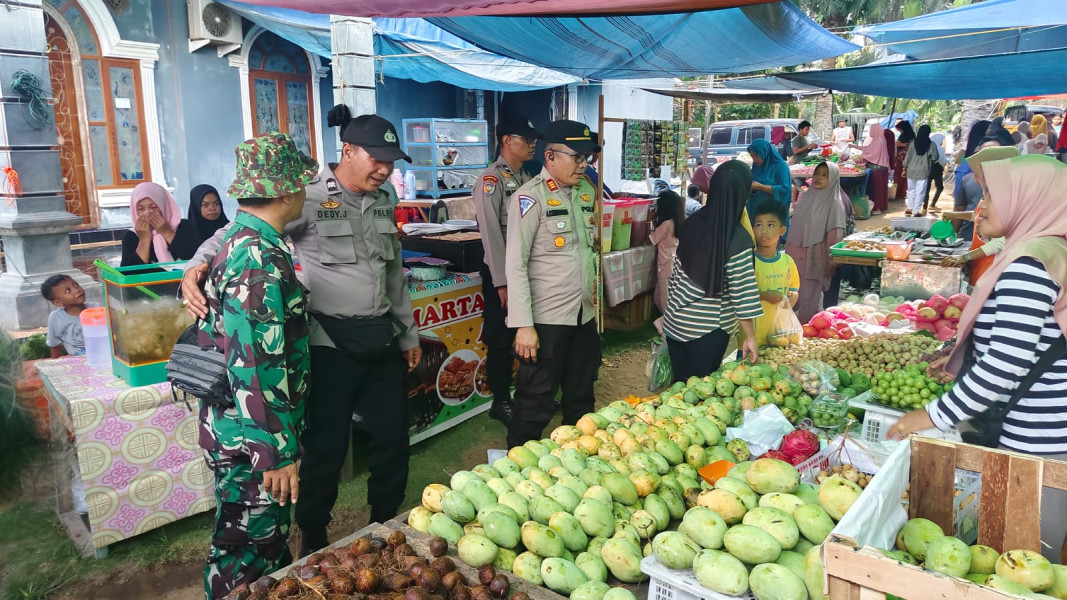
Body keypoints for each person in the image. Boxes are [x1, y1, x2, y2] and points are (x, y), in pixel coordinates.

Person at [182, 106, 422, 556]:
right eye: (376, 158)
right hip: (328, 345)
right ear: (348, 151)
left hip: (380, 338)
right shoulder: (301, 195)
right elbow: (238, 231)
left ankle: (385, 524)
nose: (385, 169)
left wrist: (407, 333)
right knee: (325, 448)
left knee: (392, 440)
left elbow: (394, 274)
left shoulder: (385, 199)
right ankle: (314, 532)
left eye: (391, 160)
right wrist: (195, 265)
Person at [888, 153, 1067, 563]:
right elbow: (1032, 339)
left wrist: (931, 415)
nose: (979, 204)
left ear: (1029, 199)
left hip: (1037, 443)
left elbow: (1005, 363)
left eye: (991, 194)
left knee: (1021, 566)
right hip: (1048, 434)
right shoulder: (1050, 251)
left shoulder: (1030, 263)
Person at [198, 132, 317, 599]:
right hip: (254, 442)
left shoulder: (243, 238)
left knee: (258, 546)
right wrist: (276, 454)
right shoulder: (256, 257)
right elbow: (254, 365)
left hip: (244, 433)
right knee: (246, 553)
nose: (307, 191)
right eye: (303, 183)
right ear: (287, 191)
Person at [505, 120, 601, 448]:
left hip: (583, 316)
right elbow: (514, 265)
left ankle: (579, 463)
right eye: (577, 157)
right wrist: (523, 325)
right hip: (546, 322)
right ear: (550, 157)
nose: (583, 164)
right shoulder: (529, 199)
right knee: (535, 402)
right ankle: (515, 467)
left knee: (582, 396)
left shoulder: (587, 191)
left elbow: (591, 252)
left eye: (587, 157)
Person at [663, 160, 761, 382]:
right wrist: (751, 337)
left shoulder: (691, 223)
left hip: (675, 324)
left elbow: (677, 273)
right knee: (699, 393)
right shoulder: (738, 240)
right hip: (707, 331)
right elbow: (743, 296)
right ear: (744, 194)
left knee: (680, 389)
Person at [473, 115, 543, 426]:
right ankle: (500, 401)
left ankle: (527, 396)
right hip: (501, 274)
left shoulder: (527, 177)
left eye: (533, 140)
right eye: (525, 139)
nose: (532, 145)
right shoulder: (491, 181)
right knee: (501, 339)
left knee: (527, 334)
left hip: (526, 272)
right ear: (505, 141)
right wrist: (503, 283)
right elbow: (491, 235)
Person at [786, 162, 848, 322]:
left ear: (833, 179)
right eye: (817, 173)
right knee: (793, 293)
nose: (819, 177)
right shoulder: (807, 196)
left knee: (809, 297)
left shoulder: (834, 203)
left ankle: (807, 333)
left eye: (825, 175)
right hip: (795, 255)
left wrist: (832, 262)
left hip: (814, 257)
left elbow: (836, 236)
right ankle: (790, 330)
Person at [749, 199, 799, 346]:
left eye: (770, 225)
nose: (763, 230)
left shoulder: (787, 261)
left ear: (782, 230)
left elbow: (793, 287)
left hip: (780, 334)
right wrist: (763, 295)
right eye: (759, 225)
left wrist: (793, 295)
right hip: (752, 335)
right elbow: (740, 294)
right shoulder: (748, 261)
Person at [121, 182, 199, 267]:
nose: (147, 213)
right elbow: (129, 273)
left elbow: (196, 259)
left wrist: (167, 232)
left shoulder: (184, 226)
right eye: (141, 208)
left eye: (154, 207)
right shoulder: (131, 235)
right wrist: (144, 239)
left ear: (163, 206)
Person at [691, 165, 755, 241]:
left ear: (706, 181)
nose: (700, 189)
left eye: (700, 185)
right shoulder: (716, 195)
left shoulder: (721, 197)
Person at [746, 138, 792, 230]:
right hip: (756, 212)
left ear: (765, 152)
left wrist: (760, 187)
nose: (754, 160)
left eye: (756, 156)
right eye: (752, 157)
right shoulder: (756, 167)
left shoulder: (781, 166)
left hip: (773, 213)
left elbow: (785, 189)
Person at [41, 275, 90, 358]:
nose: (77, 290)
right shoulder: (55, 318)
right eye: (68, 290)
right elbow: (54, 344)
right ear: (58, 303)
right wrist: (55, 364)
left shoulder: (97, 309)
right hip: (77, 362)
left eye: (76, 285)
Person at [651, 190, 684, 312]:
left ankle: (667, 325)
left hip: (665, 267)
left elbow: (651, 240)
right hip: (673, 264)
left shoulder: (666, 224)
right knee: (658, 297)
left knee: (664, 302)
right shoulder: (678, 222)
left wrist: (649, 219)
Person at [850, 123, 891, 215]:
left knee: (877, 189)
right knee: (880, 189)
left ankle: (877, 208)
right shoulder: (877, 140)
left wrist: (862, 156)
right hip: (879, 168)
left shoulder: (879, 141)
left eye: (871, 129)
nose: (870, 132)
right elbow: (868, 148)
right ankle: (881, 206)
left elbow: (873, 154)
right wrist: (853, 146)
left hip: (878, 168)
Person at [902, 124, 934, 216]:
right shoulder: (931, 145)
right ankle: (916, 211)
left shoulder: (912, 144)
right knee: (920, 191)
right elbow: (935, 157)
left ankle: (909, 208)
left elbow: (907, 158)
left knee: (911, 190)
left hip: (911, 170)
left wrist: (904, 166)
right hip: (923, 171)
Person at [924, 132, 948, 213]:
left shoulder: (926, 147)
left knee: (926, 188)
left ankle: (925, 206)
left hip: (927, 169)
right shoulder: (940, 149)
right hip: (937, 169)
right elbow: (943, 161)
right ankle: (933, 204)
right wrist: (944, 164)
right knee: (940, 187)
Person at [893, 121, 916, 200]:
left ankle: (902, 192)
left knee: (902, 174)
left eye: (900, 129)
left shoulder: (910, 135)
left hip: (904, 157)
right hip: (902, 157)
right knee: (899, 174)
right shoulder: (905, 134)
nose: (899, 131)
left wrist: (901, 144)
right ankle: (899, 192)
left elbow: (909, 144)